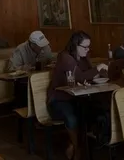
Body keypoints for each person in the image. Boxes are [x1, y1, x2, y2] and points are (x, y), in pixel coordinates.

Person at [47, 31, 108, 160]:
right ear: (75, 45)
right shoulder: (65, 57)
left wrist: (96, 74)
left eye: (88, 47)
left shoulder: (83, 56)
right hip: (59, 99)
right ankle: (77, 147)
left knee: (97, 112)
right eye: (85, 47)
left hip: (77, 98)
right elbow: (80, 76)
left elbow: (88, 74)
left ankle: (76, 144)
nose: (87, 50)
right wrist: (98, 69)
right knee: (72, 118)